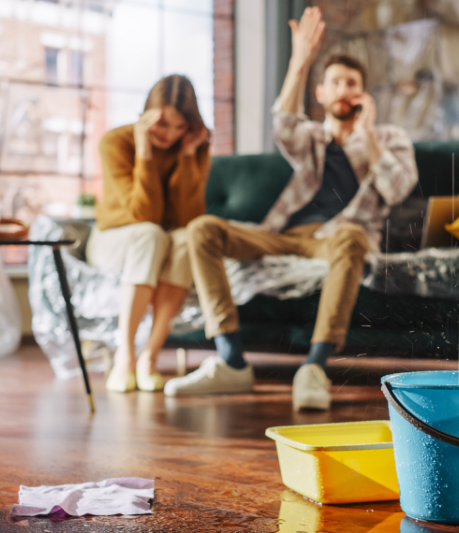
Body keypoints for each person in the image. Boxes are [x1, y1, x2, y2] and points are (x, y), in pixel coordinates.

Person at [164, 7, 418, 410]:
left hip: (337, 239)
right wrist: (300, 61)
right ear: (321, 93)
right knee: (202, 229)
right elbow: (284, 123)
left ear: (364, 94)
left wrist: (367, 133)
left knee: (352, 235)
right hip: (283, 235)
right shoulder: (312, 138)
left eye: (351, 83)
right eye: (334, 82)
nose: (342, 89)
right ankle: (231, 359)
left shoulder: (389, 138)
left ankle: (314, 367)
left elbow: (396, 189)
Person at [87, 74, 211, 393]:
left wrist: (186, 157)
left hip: (162, 241)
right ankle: (125, 357)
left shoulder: (192, 147)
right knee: (150, 234)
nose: (169, 135)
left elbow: (188, 218)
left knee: (187, 239)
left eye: (179, 126)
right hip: (114, 241)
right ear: (145, 116)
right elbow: (145, 215)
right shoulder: (115, 142)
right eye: (162, 124)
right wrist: (144, 152)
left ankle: (149, 358)